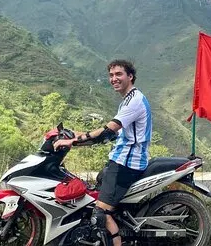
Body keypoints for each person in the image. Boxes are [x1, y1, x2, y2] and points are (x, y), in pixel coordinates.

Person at [54, 59, 152, 246]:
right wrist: (79, 136)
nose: (114, 79)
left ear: (130, 76)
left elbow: (108, 130)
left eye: (118, 74)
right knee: (98, 187)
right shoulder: (129, 99)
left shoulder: (134, 101)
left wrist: (73, 141)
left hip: (126, 163)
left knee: (101, 212)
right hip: (122, 158)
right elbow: (113, 135)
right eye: (111, 75)